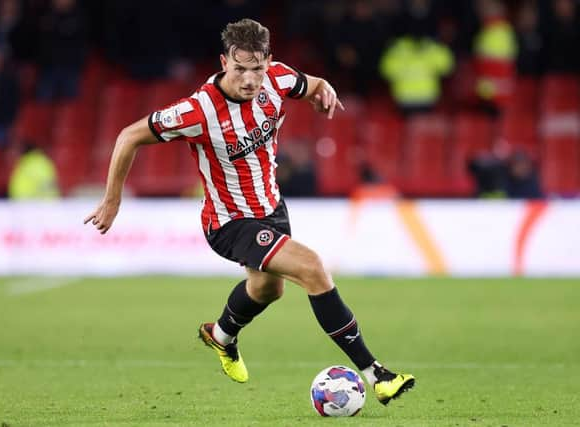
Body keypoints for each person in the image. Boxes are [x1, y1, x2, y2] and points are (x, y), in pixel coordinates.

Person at [84, 18, 414, 406]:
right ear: (224, 62)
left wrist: (323, 91)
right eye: (239, 68)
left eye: (256, 68)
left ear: (268, 61)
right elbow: (128, 136)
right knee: (313, 268)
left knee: (267, 289)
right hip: (229, 222)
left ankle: (220, 336)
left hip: (272, 209)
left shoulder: (277, 78)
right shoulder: (198, 110)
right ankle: (377, 375)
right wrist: (113, 200)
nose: (249, 79)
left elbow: (311, 84)